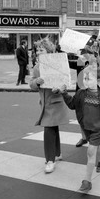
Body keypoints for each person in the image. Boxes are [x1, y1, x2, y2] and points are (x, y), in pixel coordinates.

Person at [61, 64, 100, 193]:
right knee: (96, 146)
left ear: (98, 81)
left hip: (99, 128)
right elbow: (72, 105)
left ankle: (87, 181)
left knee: (90, 151)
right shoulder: (81, 93)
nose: (86, 81)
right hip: (86, 127)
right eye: (84, 78)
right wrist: (64, 93)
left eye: (89, 78)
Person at [29, 38, 70, 174]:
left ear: (49, 51)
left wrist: (59, 89)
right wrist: (37, 82)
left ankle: (50, 160)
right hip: (45, 103)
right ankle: (57, 153)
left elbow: (65, 82)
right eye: (37, 50)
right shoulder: (36, 67)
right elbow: (31, 84)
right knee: (53, 128)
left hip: (56, 102)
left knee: (49, 129)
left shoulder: (57, 65)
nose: (39, 52)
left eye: (42, 49)